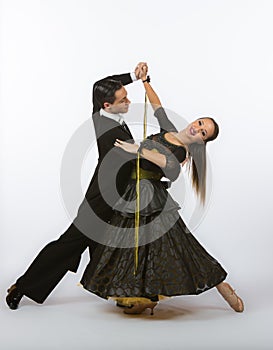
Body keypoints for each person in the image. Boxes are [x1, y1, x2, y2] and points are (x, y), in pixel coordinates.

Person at [80, 67, 244, 315]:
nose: (197, 129)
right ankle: (140, 297)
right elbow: (157, 105)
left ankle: (222, 285)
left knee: (179, 245)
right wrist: (144, 81)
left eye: (203, 132)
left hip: (151, 196)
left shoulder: (182, 153)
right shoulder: (168, 128)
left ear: (201, 141)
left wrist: (139, 150)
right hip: (131, 191)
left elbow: (165, 163)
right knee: (132, 245)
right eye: (200, 123)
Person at [6, 62, 148, 310]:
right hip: (103, 198)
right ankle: (23, 286)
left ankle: (117, 293)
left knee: (108, 246)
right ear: (108, 105)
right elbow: (129, 162)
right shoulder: (108, 130)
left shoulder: (101, 111)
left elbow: (98, 85)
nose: (129, 101)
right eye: (123, 99)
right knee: (69, 245)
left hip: (116, 196)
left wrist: (133, 77)